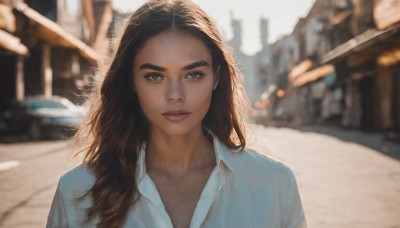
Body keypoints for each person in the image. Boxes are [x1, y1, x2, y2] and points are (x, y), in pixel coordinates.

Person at [47, 0, 307, 227]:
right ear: (131, 81)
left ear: (216, 77)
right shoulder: (77, 191)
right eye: (155, 76)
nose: (175, 94)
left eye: (193, 74)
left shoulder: (274, 184)